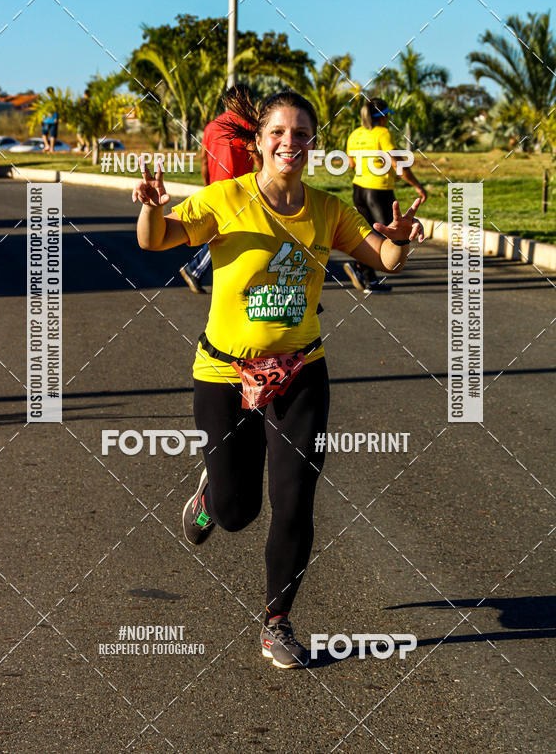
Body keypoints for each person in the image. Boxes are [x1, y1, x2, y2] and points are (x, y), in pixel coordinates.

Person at [133, 90, 423, 669]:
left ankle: (277, 621)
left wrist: (397, 239)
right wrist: (150, 207)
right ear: (260, 141)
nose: (290, 141)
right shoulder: (225, 199)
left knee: (295, 500)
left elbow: (381, 261)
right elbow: (154, 239)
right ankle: (211, 496)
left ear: (313, 144)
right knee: (238, 512)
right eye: (279, 132)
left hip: (299, 371)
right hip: (223, 371)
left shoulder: (328, 209)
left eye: (302, 133)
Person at [343, 97, 427, 293]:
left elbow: (352, 164)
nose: (387, 120)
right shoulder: (383, 133)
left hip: (359, 190)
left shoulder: (355, 134)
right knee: (390, 232)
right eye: (387, 116)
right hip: (378, 191)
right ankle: (360, 268)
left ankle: (367, 278)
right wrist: (418, 186)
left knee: (367, 233)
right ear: (382, 117)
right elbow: (398, 164)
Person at [179, 84, 254, 294]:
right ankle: (195, 269)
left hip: (216, 187)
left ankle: (233, 278)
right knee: (230, 233)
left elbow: (203, 159)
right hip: (238, 189)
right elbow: (257, 156)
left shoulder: (211, 127)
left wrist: (207, 187)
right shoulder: (246, 126)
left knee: (228, 233)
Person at [42, 87, 59, 154]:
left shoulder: (45, 100)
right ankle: (52, 148)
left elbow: (42, 110)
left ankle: (47, 145)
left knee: (44, 134)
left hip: (46, 119)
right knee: (53, 135)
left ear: (47, 92)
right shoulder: (56, 100)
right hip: (54, 119)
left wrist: (41, 119)